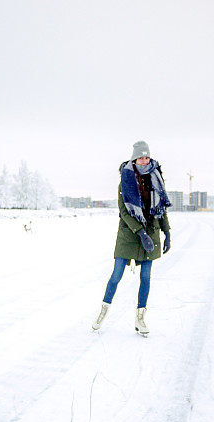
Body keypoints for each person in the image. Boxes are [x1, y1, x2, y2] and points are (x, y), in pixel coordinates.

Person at [92, 140, 171, 336]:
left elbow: (160, 209)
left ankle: (140, 319)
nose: (144, 161)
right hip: (129, 234)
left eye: (146, 157)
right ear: (134, 159)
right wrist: (140, 232)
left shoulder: (156, 177)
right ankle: (103, 311)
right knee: (116, 276)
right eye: (140, 157)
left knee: (145, 278)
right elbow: (124, 212)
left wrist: (167, 232)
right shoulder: (125, 179)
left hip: (150, 233)